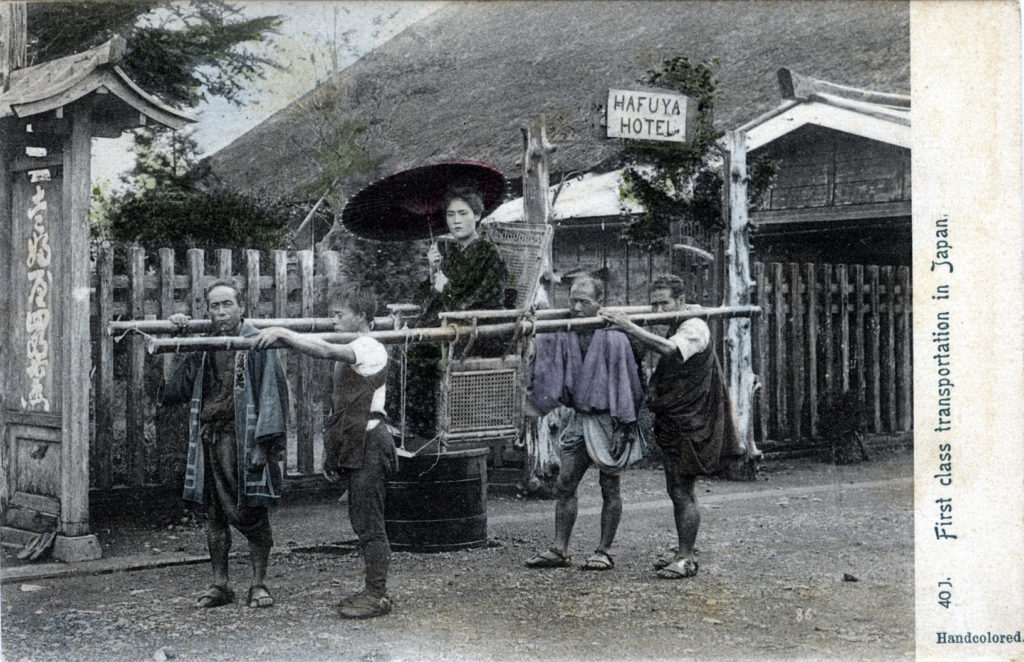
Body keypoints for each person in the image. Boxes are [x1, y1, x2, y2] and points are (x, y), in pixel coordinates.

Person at [254, 283, 396, 619]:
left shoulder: (370, 346)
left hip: (372, 443)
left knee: (369, 521)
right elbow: (340, 409)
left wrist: (282, 333)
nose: (333, 320)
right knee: (360, 518)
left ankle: (377, 594)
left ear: (360, 315)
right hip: (355, 441)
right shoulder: (352, 343)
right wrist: (332, 452)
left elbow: (325, 351)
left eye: (339, 314)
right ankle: (373, 590)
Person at [600, 274, 746, 579]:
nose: (657, 308)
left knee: (683, 489)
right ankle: (682, 551)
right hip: (675, 419)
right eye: (654, 302)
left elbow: (669, 349)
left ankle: (686, 558)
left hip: (692, 421)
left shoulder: (694, 326)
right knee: (675, 488)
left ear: (680, 300)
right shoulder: (677, 319)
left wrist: (629, 326)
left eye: (663, 302)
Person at [161, 281, 289, 608]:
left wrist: (264, 446)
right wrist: (177, 339)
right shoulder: (208, 345)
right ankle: (221, 583)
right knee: (214, 515)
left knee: (251, 512)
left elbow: (273, 395)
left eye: (227, 304)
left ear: (241, 306)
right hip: (210, 439)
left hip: (244, 441)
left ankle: (259, 583)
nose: (221, 312)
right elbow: (175, 389)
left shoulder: (258, 342)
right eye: (214, 306)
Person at [524, 276, 646, 571]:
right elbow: (543, 346)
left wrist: (624, 421)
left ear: (599, 303)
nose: (577, 307)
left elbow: (627, 383)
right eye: (573, 301)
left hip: (609, 417)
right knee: (565, 483)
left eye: (584, 302)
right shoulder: (564, 331)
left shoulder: (615, 336)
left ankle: (603, 550)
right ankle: (559, 548)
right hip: (579, 416)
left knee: (609, 485)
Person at [406, 185, 510, 438]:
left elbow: (478, 299)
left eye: (463, 213)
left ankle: (427, 429)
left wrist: (446, 289)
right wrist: (433, 271)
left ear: (477, 215)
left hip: (480, 332)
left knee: (420, 352)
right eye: (450, 215)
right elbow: (426, 297)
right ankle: (409, 424)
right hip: (451, 326)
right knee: (406, 345)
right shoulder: (452, 255)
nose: (456, 221)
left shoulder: (488, 254)